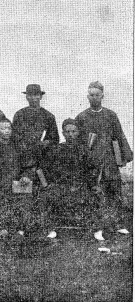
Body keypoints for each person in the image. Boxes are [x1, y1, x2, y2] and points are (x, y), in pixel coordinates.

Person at [75, 81, 133, 240]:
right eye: (91, 95)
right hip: (92, 162)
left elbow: (119, 136)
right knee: (96, 194)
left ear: (102, 96)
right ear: (88, 97)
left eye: (97, 95)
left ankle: (118, 224)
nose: (94, 98)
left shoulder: (110, 115)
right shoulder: (81, 117)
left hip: (109, 160)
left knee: (115, 191)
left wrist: (125, 156)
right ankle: (97, 228)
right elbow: (78, 142)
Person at [42, 118, 98, 239]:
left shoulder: (84, 150)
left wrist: (91, 184)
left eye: (73, 131)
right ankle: (51, 228)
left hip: (80, 185)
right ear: (63, 133)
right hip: (61, 185)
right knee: (47, 196)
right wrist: (51, 184)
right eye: (67, 132)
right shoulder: (56, 149)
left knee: (96, 195)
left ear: (78, 132)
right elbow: (47, 169)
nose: (71, 134)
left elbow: (92, 169)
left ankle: (94, 229)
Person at [12, 84, 59, 176]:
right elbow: (14, 137)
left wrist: (46, 143)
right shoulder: (19, 115)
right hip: (23, 160)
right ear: (26, 97)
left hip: (42, 159)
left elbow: (55, 139)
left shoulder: (48, 116)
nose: (33, 98)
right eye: (30, 95)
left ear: (41, 96)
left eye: (36, 95)